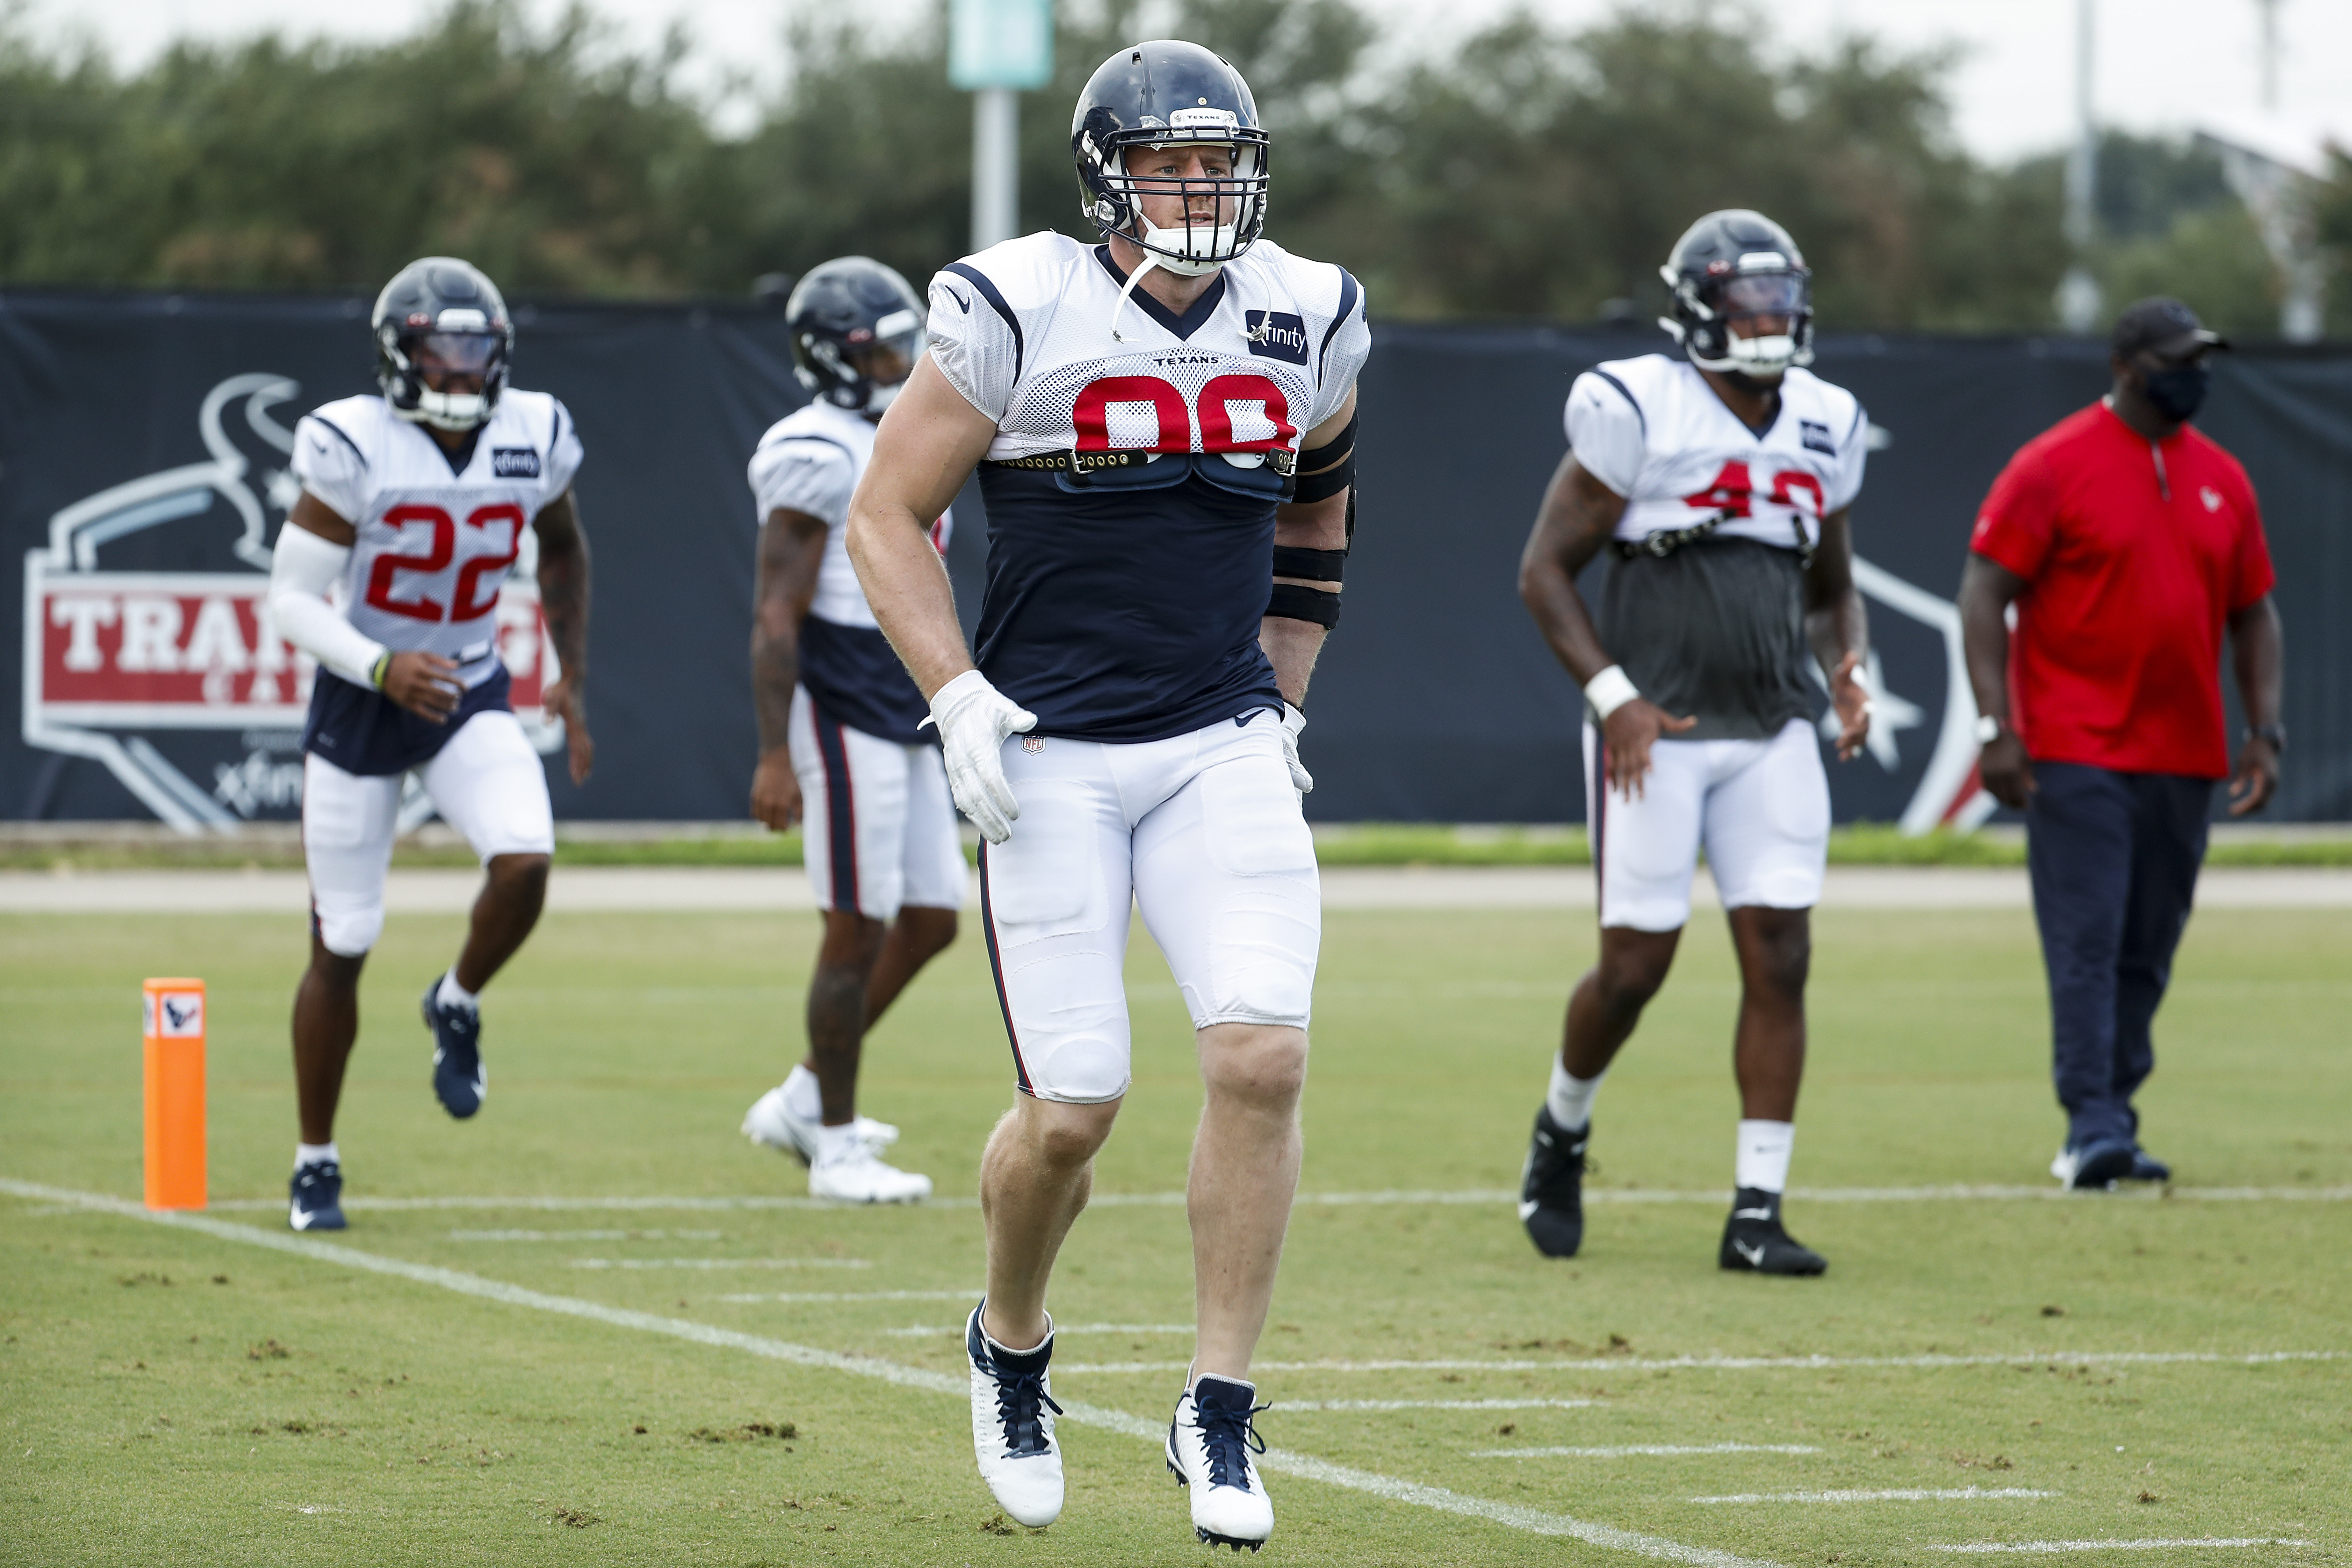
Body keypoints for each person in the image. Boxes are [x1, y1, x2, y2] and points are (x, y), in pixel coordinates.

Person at [844, 40, 1367, 1551]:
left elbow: (1321, 495)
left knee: (1261, 1057)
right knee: (1070, 1111)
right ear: (1109, 175)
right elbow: (887, 512)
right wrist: (956, 697)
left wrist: (1283, 694)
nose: (1200, 187)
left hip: (1213, 739)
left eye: (1221, 161)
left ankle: (1217, 1404)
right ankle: (1009, 1341)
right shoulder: (1020, 303)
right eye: (1170, 162)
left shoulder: (1309, 310)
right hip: (1052, 748)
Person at [1515, 209, 1872, 1278]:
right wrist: (1613, 696)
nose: (1767, 322)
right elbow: (1542, 569)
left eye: (1779, 302)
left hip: (1771, 727)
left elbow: (1829, 582)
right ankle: (1561, 1128)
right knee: (1634, 970)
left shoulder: (1827, 419)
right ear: (1697, 311)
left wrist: (1846, 665)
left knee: (1782, 956)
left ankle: (1755, 1209)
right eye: (1744, 303)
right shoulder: (1636, 404)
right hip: (1657, 731)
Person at [267, 256, 593, 1233]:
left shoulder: (534, 429)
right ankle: (314, 1161)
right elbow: (288, 598)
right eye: (439, 351)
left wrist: (570, 673)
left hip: (465, 681)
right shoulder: (352, 443)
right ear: (397, 355)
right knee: (345, 939)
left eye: (475, 349)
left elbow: (565, 544)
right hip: (365, 693)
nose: (459, 369)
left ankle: (455, 999)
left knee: (527, 860)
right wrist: (378, 665)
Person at [1959, 296, 2282, 1192]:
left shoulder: (2223, 475)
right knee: (2087, 938)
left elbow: (2253, 612)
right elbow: (1983, 593)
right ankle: (2089, 1123)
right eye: (2177, 360)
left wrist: (2262, 731)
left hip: (2183, 751)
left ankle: (2117, 1110)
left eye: (2201, 360)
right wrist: (1996, 727)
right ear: (2126, 367)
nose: (2195, 376)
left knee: (2148, 943)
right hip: (2074, 746)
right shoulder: (2049, 466)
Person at [736, 257, 959, 1205]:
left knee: (930, 916)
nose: (904, 360)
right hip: (839, 702)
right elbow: (777, 610)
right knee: (853, 927)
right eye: (884, 347)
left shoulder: (899, 424)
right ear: (833, 358)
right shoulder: (813, 448)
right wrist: (776, 749)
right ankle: (833, 1143)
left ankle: (800, 1094)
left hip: (904, 691)